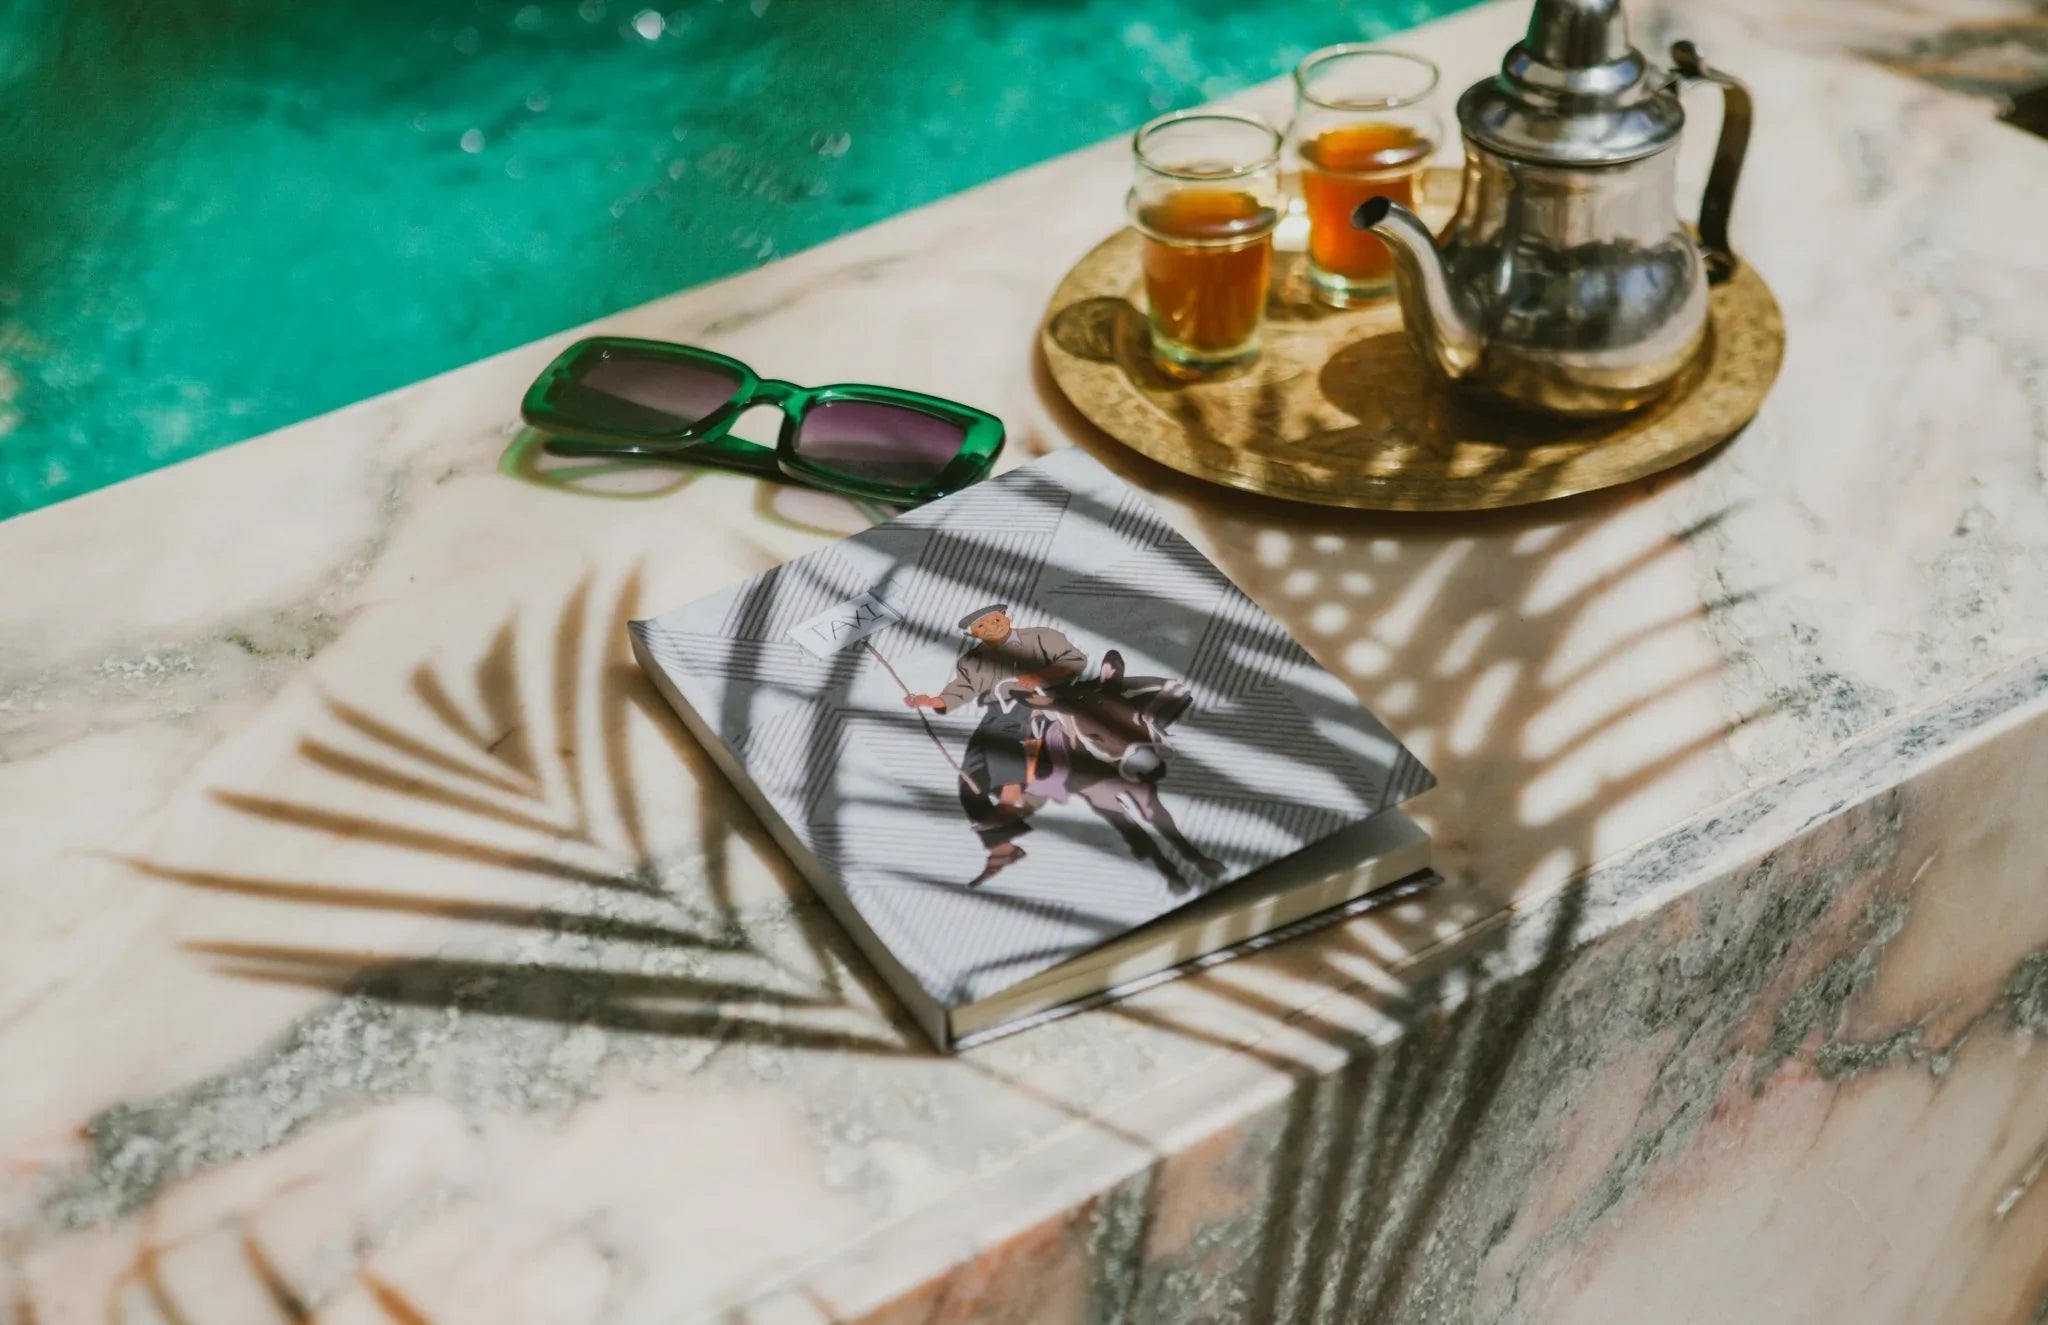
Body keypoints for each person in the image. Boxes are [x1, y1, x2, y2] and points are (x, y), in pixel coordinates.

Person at [905, 604, 1085, 885]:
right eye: (982, 627)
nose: (991, 627)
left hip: (1041, 702)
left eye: (995, 620)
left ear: (1007, 617)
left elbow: (1074, 661)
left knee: (1006, 728)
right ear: (975, 634)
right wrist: (931, 701)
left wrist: (1039, 676)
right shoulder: (972, 660)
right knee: (969, 784)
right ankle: (1003, 849)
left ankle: (1010, 795)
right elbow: (960, 691)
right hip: (996, 713)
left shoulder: (1041, 638)